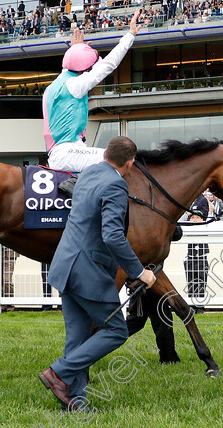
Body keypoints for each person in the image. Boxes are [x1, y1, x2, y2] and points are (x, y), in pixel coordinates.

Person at [39, 136, 156, 412]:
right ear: (129, 163)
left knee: (77, 337)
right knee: (116, 331)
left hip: (65, 266)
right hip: (87, 272)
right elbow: (113, 236)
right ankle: (58, 371)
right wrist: (139, 272)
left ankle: (74, 400)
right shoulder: (116, 184)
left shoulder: (89, 172)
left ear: (105, 154)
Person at [43, 9, 143, 183]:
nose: (92, 70)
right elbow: (109, 64)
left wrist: (76, 50)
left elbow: (73, 63)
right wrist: (130, 35)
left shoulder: (57, 84)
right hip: (67, 153)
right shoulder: (75, 85)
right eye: (90, 68)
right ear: (85, 70)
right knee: (116, 160)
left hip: (63, 152)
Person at [184, 210, 209, 312]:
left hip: (202, 258)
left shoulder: (205, 228)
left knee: (201, 282)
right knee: (191, 283)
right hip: (190, 258)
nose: (195, 220)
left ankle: (200, 306)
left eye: (197, 218)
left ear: (202, 219)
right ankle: (191, 305)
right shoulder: (188, 229)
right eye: (193, 218)